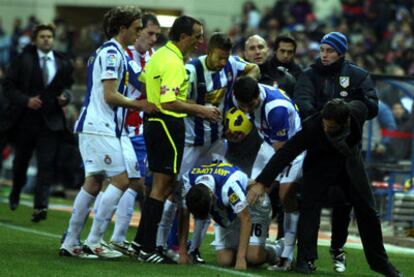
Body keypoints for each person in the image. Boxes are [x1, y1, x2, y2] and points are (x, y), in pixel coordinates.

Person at [250, 99, 403, 277]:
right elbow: (286, 152)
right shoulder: (312, 127)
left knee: (368, 212)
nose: (326, 128)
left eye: (331, 126)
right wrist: (262, 182)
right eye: (325, 124)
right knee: (309, 208)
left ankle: (380, 264)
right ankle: (305, 261)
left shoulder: (358, 111)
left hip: (350, 167)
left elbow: (368, 103)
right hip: (319, 168)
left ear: (345, 122)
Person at [60, 6, 156, 259]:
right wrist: (140, 105)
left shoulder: (119, 54)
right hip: (100, 127)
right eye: (136, 29)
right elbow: (110, 94)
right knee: (122, 180)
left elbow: (142, 80)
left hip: (98, 127)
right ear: (122, 28)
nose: (139, 34)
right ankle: (94, 240)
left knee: (93, 182)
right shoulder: (112, 54)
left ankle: (70, 242)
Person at [132, 15, 221, 264]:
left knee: (162, 186)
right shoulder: (172, 62)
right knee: (163, 186)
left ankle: (141, 242)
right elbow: (170, 101)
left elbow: (143, 82)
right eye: (197, 36)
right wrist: (201, 110)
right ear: (183, 37)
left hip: (155, 122)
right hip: (167, 123)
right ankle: (147, 247)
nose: (201, 41)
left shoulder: (160, 55)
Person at [293, 31, 379, 273]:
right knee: (309, 204)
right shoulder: (309, 75)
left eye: (329, 50)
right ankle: (306, 258)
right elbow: (302, 103)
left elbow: (372, 107)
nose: (324, 55)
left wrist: (348, 111)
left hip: (347, 152)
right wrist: (328, 118)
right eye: (322, 50)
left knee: (344, 204)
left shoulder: (358, 75)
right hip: (318, 151)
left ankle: (337, 249)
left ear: (341, 52)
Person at [231, 76, 304, 271]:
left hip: (291, 147)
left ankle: (287, 253)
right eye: (242, 105)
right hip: (269, 143)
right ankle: (250, 246)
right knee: (250, 192)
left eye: (250, 104)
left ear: (258, 97)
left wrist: (264, 183)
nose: (246, 108)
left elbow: (282, 153)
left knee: (285, 195)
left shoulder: (276, 110)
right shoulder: (238, 94)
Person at [3, 23, 74, 222]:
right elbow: (8, 87)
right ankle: (16, 191)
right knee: (21, 163)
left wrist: (66, 97)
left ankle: (40, 206)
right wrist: (26, 100)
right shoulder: (22, 60)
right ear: (35, 40)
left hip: (50, 123)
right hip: (25, 121)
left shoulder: (61, 61)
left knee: (46, 164)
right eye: (42, 36)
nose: (46, 40)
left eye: (49, 36)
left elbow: (68, 86)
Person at [106, 12, 161, 255]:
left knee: (134, 182)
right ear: (137, 32)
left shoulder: (153, 56)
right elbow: (143, 85)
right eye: (149, 33)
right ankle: (115, 236)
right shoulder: (124, 55)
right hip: (126, 126)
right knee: (131, 181)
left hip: (143, 126)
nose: (152, 38)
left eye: (156, 35)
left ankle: (113, 237)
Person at [178, 161, 279, 270]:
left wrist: (241, 258)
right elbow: (184, 215)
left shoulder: (229, 186)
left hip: (252, 204)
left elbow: (246, 219)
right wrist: (183, 252)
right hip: (226, 209)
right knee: (225, 260)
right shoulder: (188, 180)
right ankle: (250, 247)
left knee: (253, 256)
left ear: (212, 196)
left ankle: (276, 249)